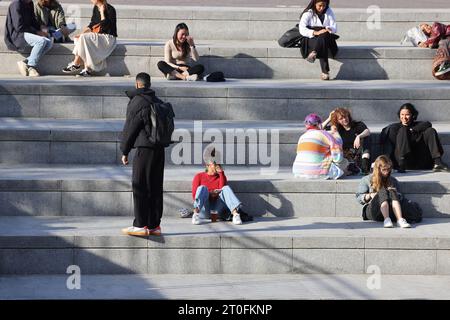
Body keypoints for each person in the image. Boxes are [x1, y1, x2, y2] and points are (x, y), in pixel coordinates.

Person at [120, 73, 166, 236]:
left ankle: (140, 224)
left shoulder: (137, 101)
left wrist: (125, 150)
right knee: (155, 186)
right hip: (159, 149)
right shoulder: (157, 101)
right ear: (149, 84)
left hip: (144, 149)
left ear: (137, 85)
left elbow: (130, 127)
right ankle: (154, 225)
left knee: (140, 185)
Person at [380, 103, 450, 173]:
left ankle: (438, 162)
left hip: (419, 160)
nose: (404, 117)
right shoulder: (395, 127)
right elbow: (383, 135)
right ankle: (402, 163)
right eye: (402, 114)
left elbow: (428, 124)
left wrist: (412, 130)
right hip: (402, 162)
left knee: (431, 131)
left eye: (407, 115)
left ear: (413, 115)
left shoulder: (417, 126)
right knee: (403, 130)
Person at [191, 149, 249, 225]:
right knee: (202, 188)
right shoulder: (199, 176)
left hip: (217, 210)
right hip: (204, 209)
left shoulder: (221, 176)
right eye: (214, 164)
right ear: (207, 165)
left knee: (225, 188)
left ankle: (235, 215)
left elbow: (223, 191)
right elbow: (195, 195)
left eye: (217, 163)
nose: (216, 166)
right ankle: (195, 214)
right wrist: (209, 193)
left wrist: (221, 173)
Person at [62, 0, 117, 77]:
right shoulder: (95, 8)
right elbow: (92, 25)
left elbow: (105, 27)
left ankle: (76, 63)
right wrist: (81, 33)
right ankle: (87, 69)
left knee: (84, 38)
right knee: (79, 38)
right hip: (98, 36)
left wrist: (102, 13)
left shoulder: (110, 9)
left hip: (108, 38)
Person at [356, 155, 411, 228]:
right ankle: (386, 220)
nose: (386, 172)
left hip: (391, 210)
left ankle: (400, 219)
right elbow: (359, 197)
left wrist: (395, 193)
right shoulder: (366, 179)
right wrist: (370, 195)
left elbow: (401, 197)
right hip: (373, 210)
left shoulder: (392, 180)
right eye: (384, 170)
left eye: (388, 169)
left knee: (391, 191)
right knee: (382, 191)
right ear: (378, 169)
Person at [4, 0, 53, 77]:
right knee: (41, 41)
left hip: (27, 33)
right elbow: (18, 27)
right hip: (17, 36)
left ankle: (25, 62)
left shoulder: (30, 4)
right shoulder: (16, 4)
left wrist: (41, 27)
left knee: (49, 42)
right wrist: (37, 32)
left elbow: (33, 21)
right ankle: (31, 67)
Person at [293, 113, 348, 179]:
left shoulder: (302, 137)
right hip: (318, 173)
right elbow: (337, 158)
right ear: (319, 124)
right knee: (344, 162)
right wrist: (336, 134)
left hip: (298, 171)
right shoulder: (325, 134)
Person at [323, 107, 371, 175]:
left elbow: (367, 131)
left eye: (345, 117)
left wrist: (359, 136)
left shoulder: (357, 125)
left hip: (357, 154)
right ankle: (352, 167)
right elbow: (319, 130)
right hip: (344, 156)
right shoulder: (337, 129)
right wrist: (329, 119)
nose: (344, 119)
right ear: (337, 121)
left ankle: (365, 165)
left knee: (366, 138)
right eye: (341, 119)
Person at [298, 0, 338, 80]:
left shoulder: (329, 11)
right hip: (311, 37)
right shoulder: (308, 13)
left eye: (324, 5)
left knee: (324, 36)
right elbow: (302, 29)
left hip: (326, 36)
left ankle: (314, 53)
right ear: (314, 4)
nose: (322, 8)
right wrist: (316, 32)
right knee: (322, 42)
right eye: (320, 5)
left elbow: (334, 26)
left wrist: (330, 28)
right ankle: (325, 72)